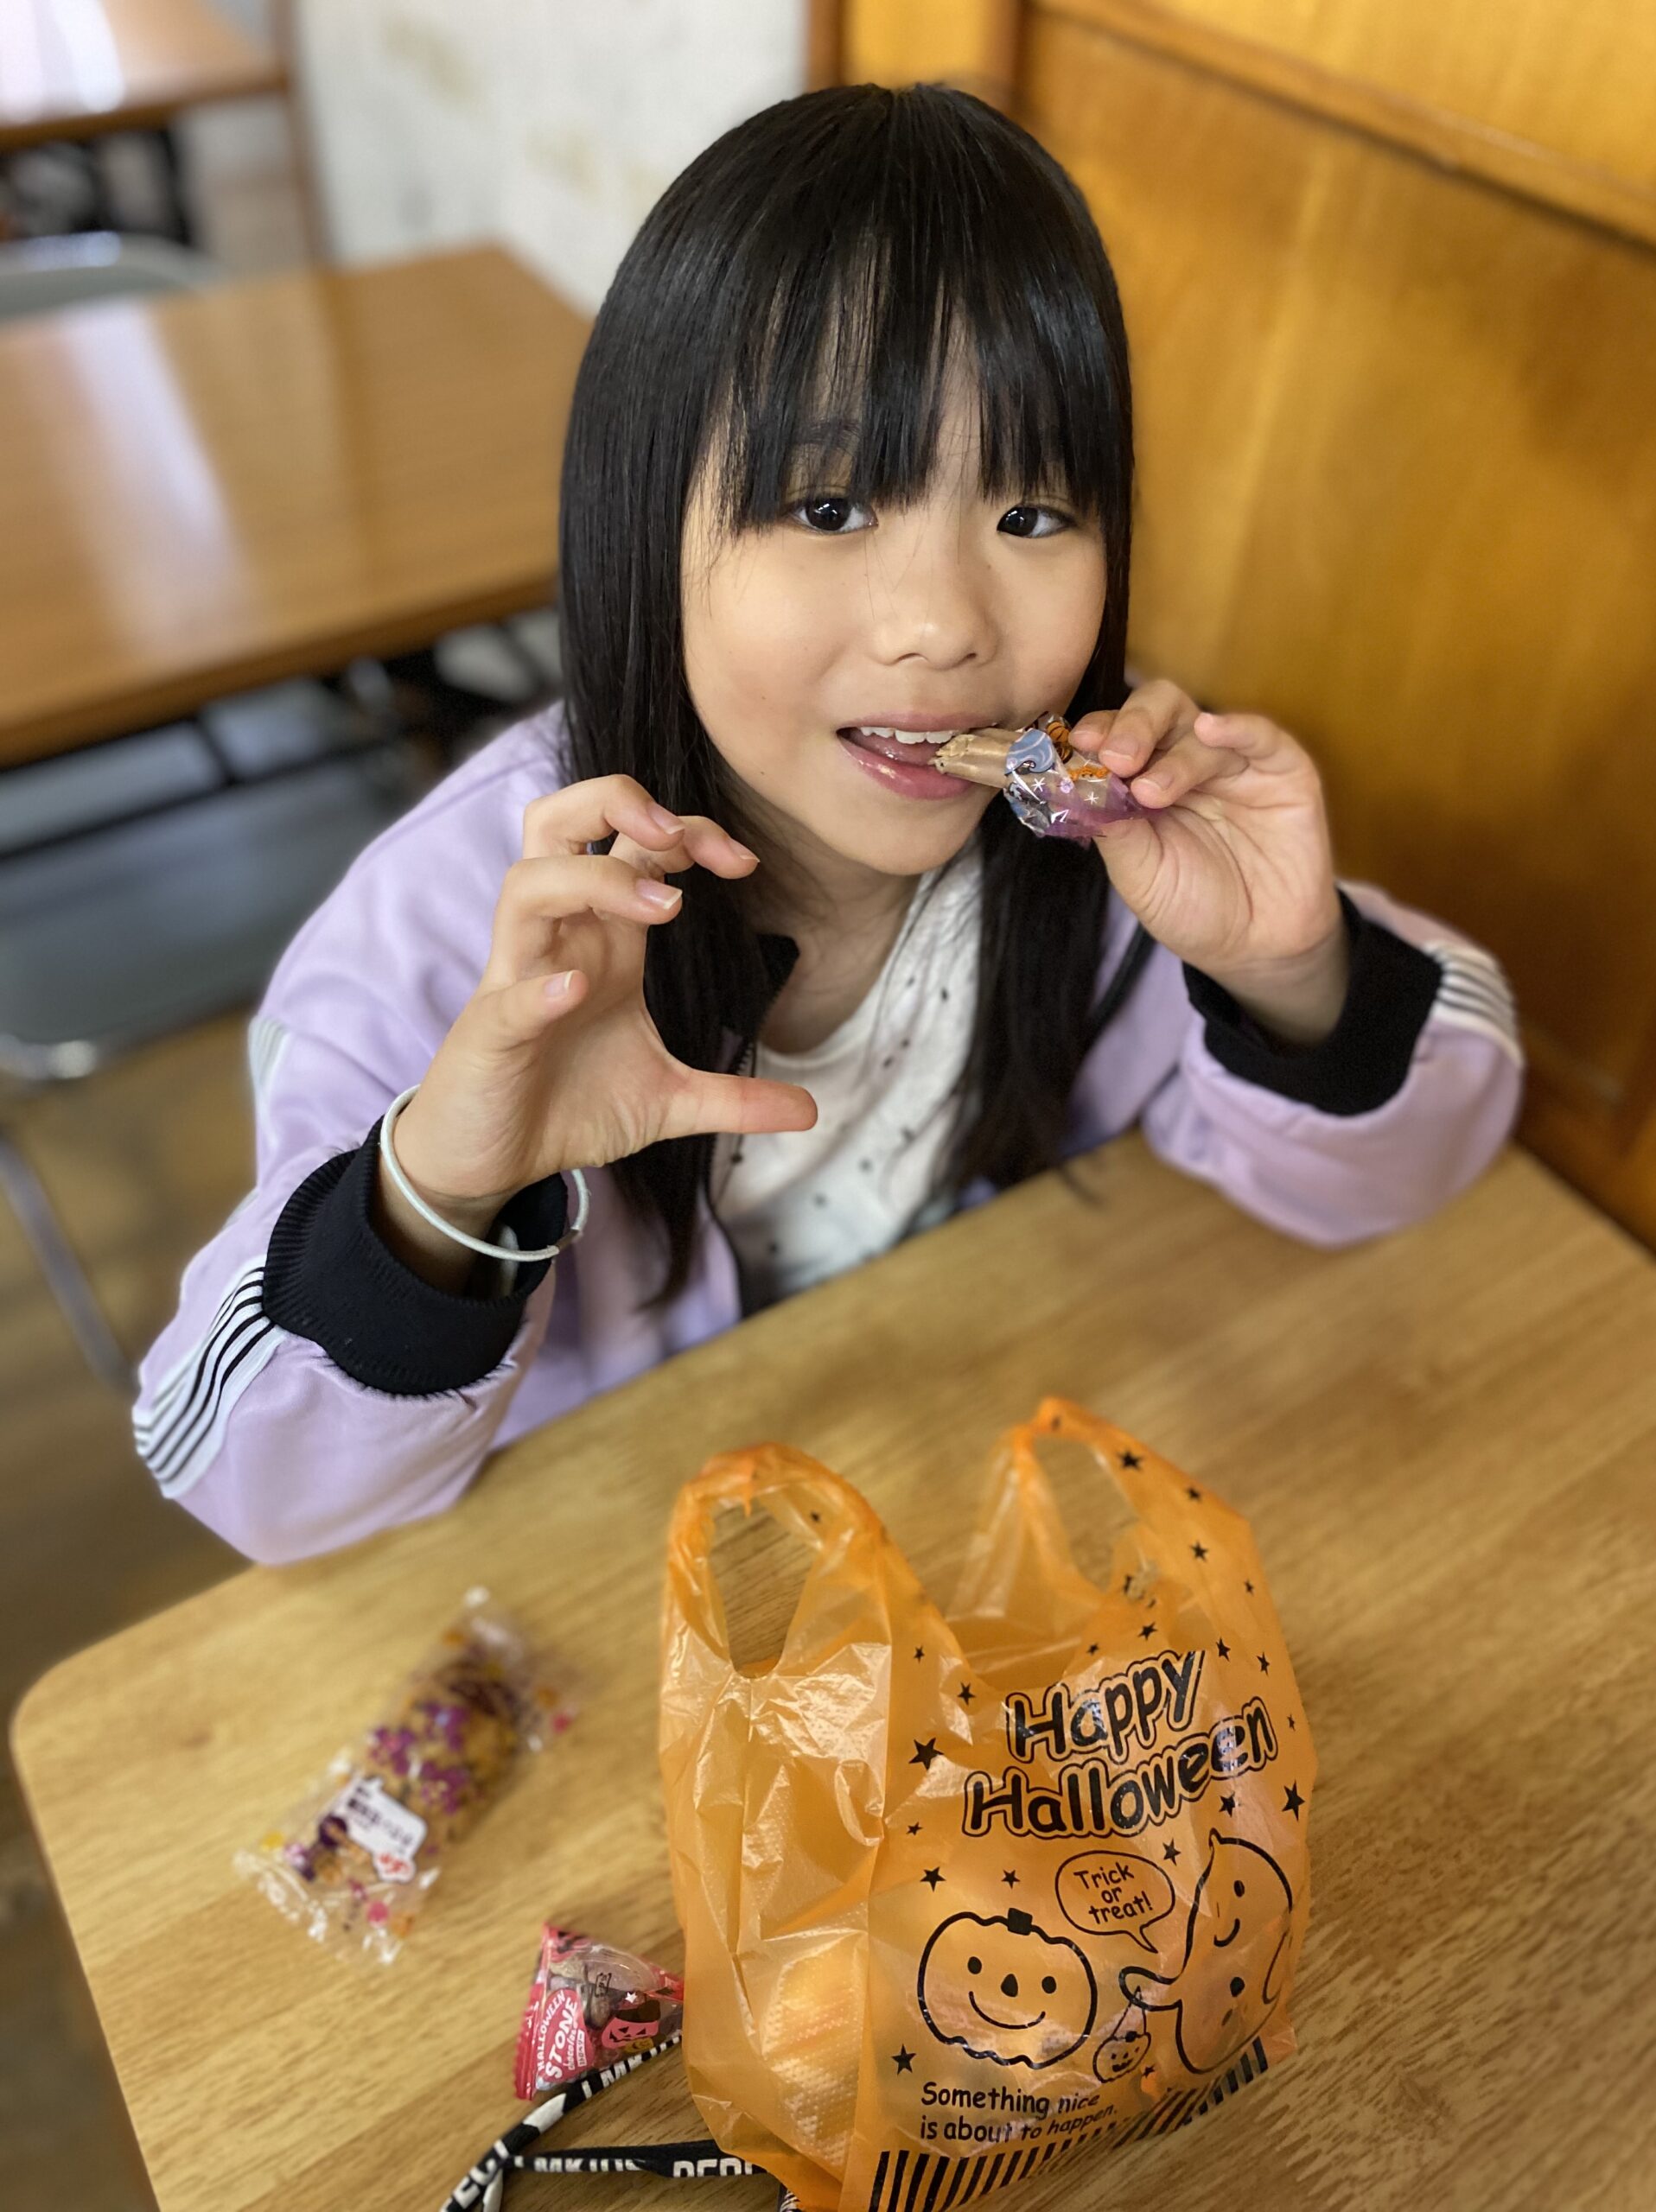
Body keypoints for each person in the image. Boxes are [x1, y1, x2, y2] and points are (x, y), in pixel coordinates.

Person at [133, 85, 1520, 1564]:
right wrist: (445, 1192)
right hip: (619, 1566)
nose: (944, 624)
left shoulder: (1111, 850)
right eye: (830, 507)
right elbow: (243, 1483)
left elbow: (1410, 1173)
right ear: (643, 524)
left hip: (957, 1500)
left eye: (1032, 517)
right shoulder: (466, 925)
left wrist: (1290, 973)